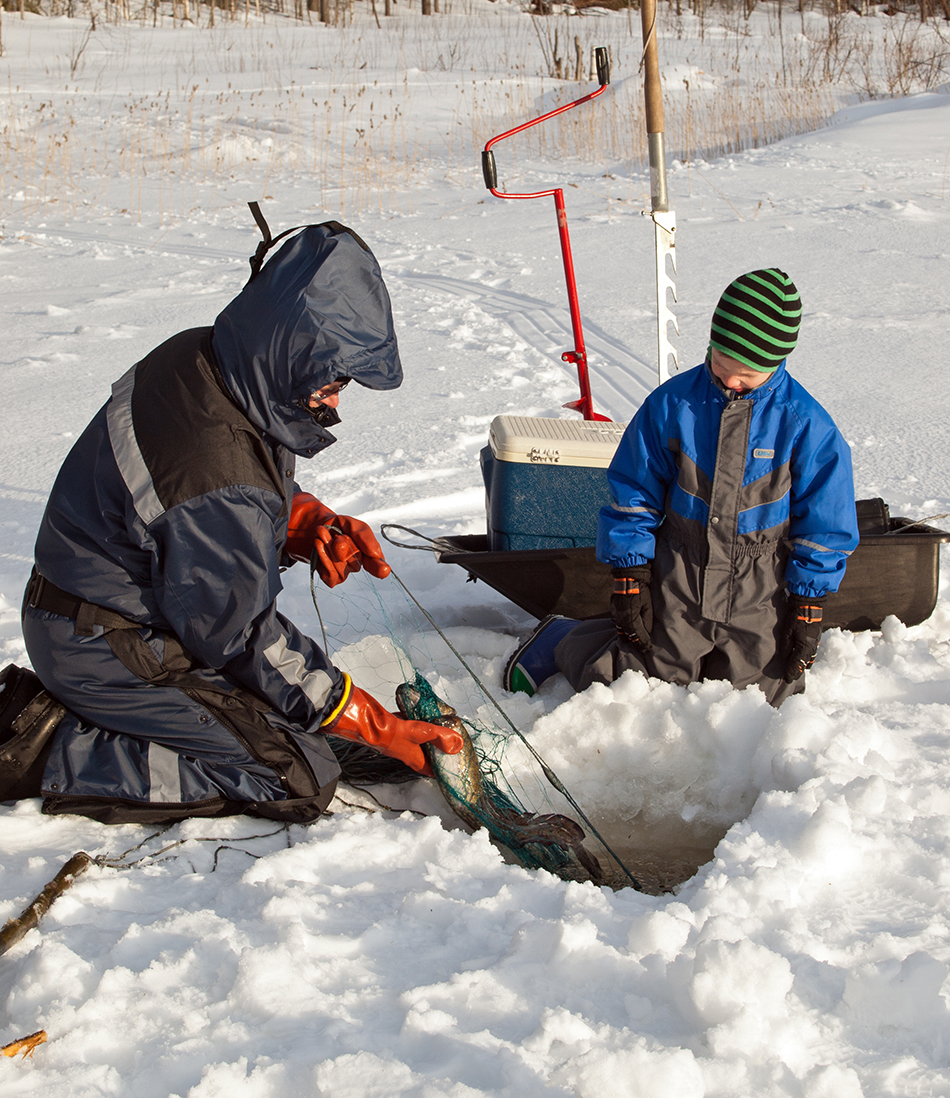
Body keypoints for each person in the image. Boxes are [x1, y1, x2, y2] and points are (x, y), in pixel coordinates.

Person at [9, 220, 461, 823]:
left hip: (115, 606)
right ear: (291, 348)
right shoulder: (215, 470)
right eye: (333, 378)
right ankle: (41, 747)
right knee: (293, 774)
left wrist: (298, 521)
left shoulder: (210, 358)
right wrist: (370, 723)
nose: (333, 401)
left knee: (283, 714)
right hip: (106, 643)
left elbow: (198, 503)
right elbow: (239, 634)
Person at [505, 268, 859, 708]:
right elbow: (634, 492)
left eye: (746, 375)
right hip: (681, 571)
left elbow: (826, 527)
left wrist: (807, 605)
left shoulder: (806, 426)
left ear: (777, 363)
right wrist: (631, 574)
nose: (730, 381)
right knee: (643, 683)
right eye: (722, 364)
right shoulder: (673, 404)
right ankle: (564, 639)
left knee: (757, 701)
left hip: (760, 584)